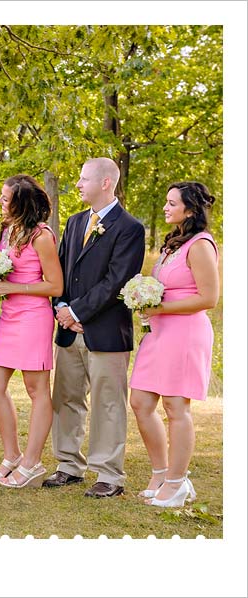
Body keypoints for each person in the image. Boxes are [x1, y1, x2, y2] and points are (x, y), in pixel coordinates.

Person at [46, 157, 145, 497]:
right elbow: (58, 272)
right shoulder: (74, 223)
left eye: (84, 179)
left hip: (105, 331)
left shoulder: (130, 228)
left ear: (105, 183)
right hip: (68, 328)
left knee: (108, 403)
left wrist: (77, 311)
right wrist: (60, 308)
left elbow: (117, 281)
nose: (78, 184)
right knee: (67, 398)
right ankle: (68, 465)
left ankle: (108, 475)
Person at [128, 182, 218, 507]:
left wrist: (160, 308)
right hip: (159, 333)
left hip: (186, 333)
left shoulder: (200, 245)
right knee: (140, 401)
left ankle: (178, 483)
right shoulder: (172, 244)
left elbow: (209, 298)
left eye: (171, 203)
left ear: (190, 209)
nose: (165, 207)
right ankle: (160, 472)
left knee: (175, 407)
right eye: (165, 202)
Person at [0, 175, 63, 488]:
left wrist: (13, 286)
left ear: (22, 203)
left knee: (36, 389)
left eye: (6, 199)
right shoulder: (8, 230)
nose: (1, 203)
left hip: (33, 317)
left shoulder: (42, 236)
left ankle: (32, 463)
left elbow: (55, 285)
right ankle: (12, 455)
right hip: (10, 316)